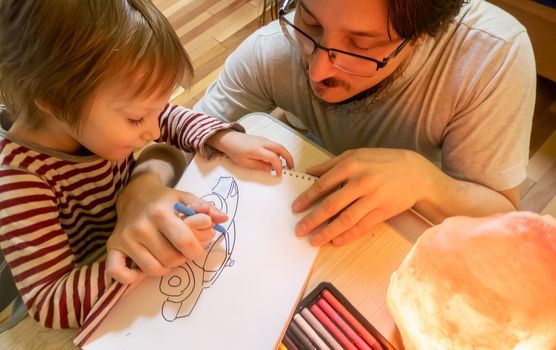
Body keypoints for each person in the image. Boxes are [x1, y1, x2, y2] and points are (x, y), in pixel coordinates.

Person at [107, 0, 535, 281]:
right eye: (309, 22)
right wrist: (142, 188)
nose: (317, 71)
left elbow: (502, 216)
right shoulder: (273, 48)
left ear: (422, 37)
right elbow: (185, 132)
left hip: (412, 249)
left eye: (362, 46)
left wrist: (428, 182)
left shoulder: (492, 56)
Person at [0, 0, 292, 329]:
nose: (154, 130)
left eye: (154, 111)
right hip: (96, 277)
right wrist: (142, 255)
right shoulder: (20, 181)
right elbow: (48, 301)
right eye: (137, 118)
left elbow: (164, 114)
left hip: (131, 234)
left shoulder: (90, 112)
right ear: (54, 101)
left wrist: (220, 137)